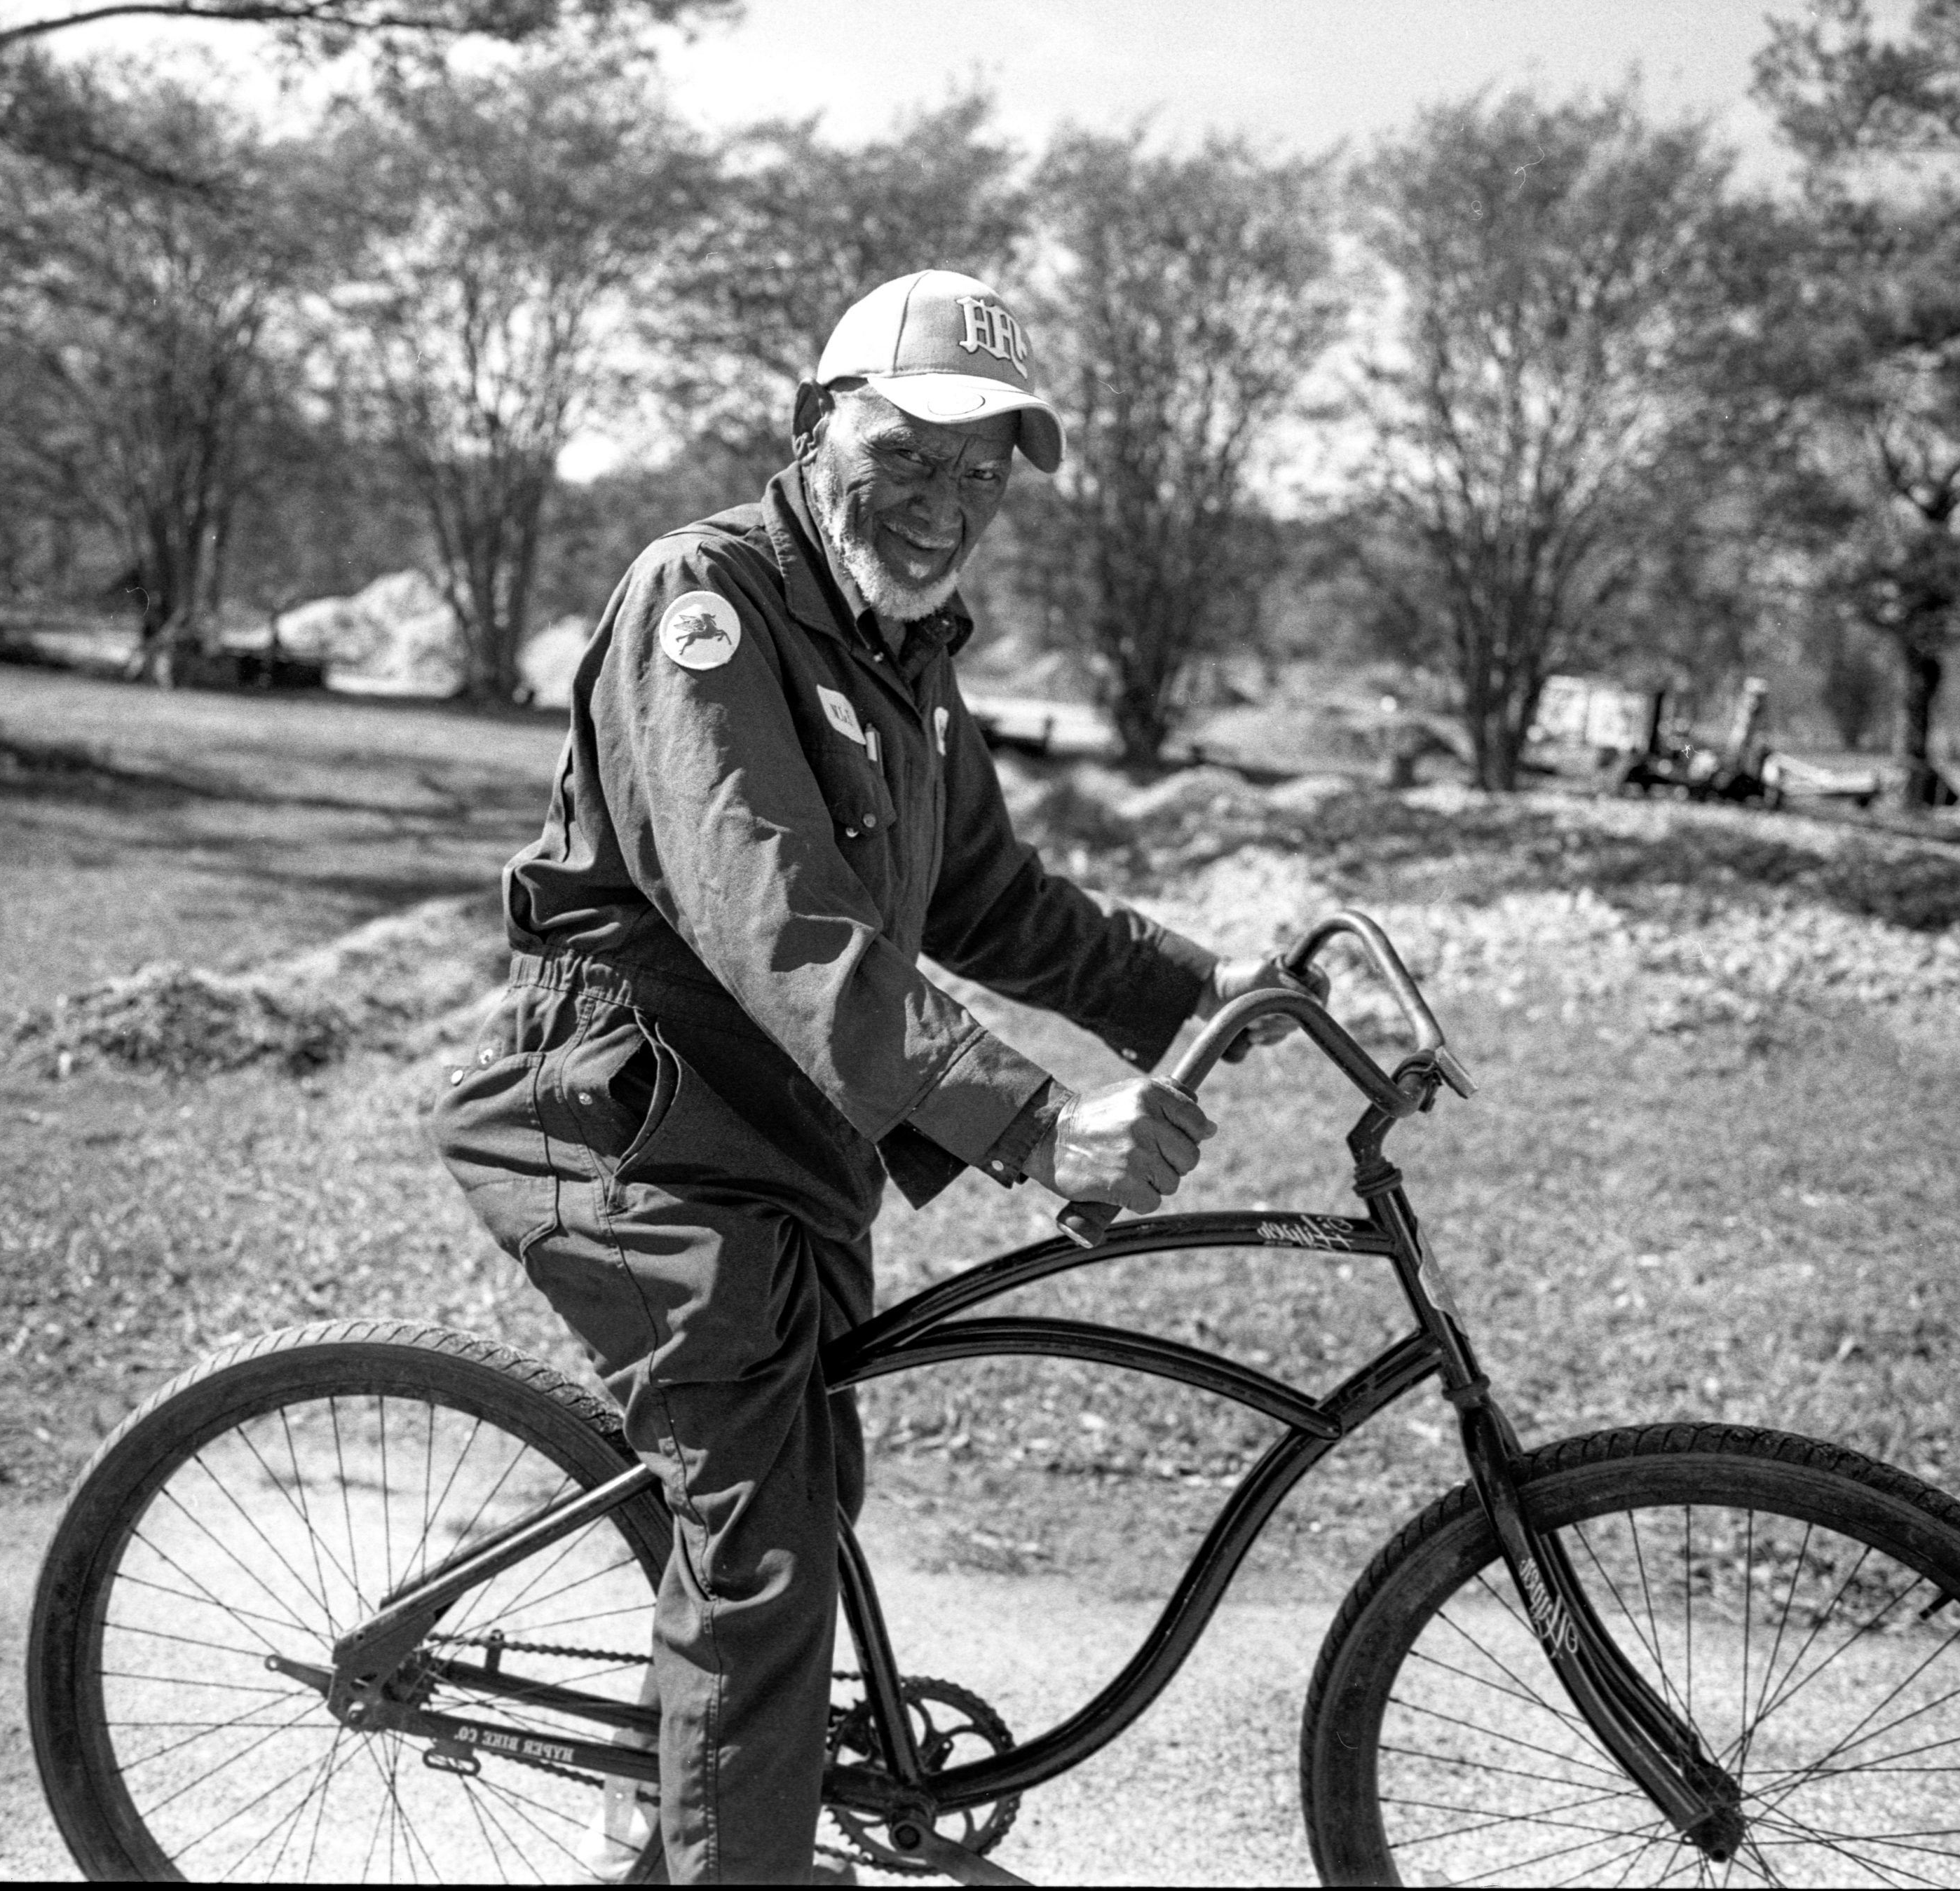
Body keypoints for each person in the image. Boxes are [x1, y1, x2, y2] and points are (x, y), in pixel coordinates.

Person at [433, 268, 1306, 1883]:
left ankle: (681, 1810)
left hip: (778, 1134)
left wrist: (1205, 986)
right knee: (761, 1550)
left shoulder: (902, 655)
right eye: (910, 453)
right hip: (632, 1125)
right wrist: (1040, 1124)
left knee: (794, 1483)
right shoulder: (702, 604)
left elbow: (985, 898)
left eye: (982, 472)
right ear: (809, 423)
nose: (943, 502)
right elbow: (775, 917)